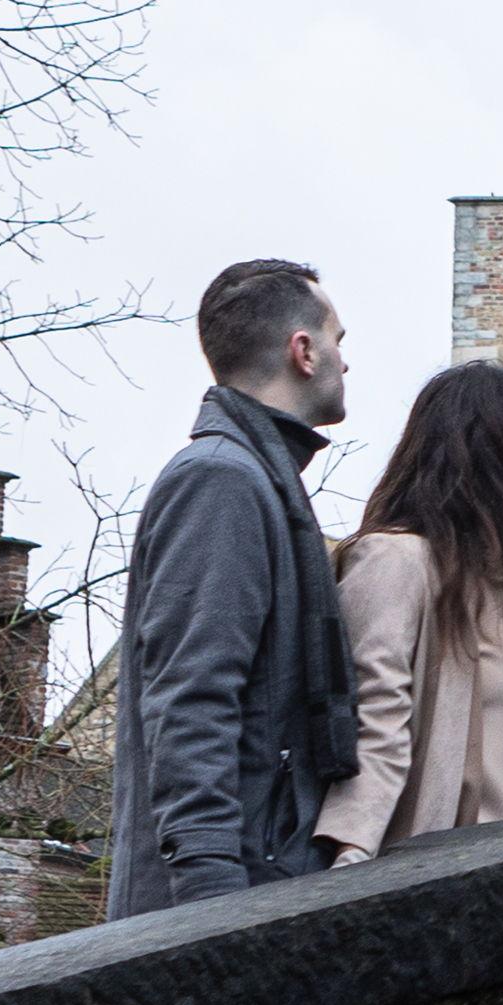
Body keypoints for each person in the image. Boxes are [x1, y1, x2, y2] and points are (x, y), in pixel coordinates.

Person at [104, 257, 359, 916]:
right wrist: (210, 904)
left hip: (258, 882)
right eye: (338, 340)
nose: (345, 360)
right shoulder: (223, 481)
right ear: (302, 350)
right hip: (226, 898)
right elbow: (191, 698)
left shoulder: (259, 479)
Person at [320, 357, 503, 859]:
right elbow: (375, 720)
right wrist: (351, 853)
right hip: (426, 880)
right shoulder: (395, 562)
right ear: (500, 454)